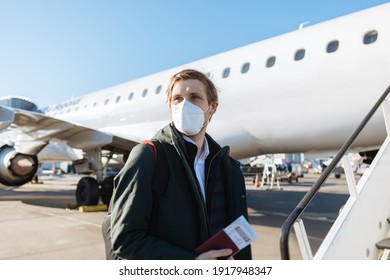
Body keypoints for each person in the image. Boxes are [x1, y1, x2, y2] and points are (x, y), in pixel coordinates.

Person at [109, 69, 252, 260]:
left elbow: (238, 236)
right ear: (170, 106)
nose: (185, 105)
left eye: (194, 97)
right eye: (177, 99)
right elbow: (124, 239)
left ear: (212, 107)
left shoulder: (228, 167)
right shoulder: (148, 156)